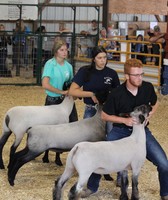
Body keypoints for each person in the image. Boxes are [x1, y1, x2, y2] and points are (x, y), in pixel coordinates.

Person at [82, 58, 168, 200]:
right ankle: (92, 187)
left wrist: (150, 114)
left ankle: (165, 193)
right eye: (136, 75)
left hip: (141, 133)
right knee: (102, 154)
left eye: (141, 74)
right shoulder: (116, 93)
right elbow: (104, 115)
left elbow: (155, 102)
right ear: (127, 76)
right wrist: (124, 120)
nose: (140, 78)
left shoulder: (147, 87)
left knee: (164, 163)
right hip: (120, 131)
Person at [68, 45, 120, 180]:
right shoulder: (85, 72)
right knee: (87, 141)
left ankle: (106, 169)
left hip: (108, 112)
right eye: (99, 58)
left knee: (109, 139)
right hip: (91, 110)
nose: (103, 60)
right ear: (93, 59)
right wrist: (91, 94)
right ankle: (85, 168)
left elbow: (118, 94)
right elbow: (72, 91)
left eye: (104, 57)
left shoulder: (112, 74)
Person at [42, 38, 78, 166]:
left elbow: (71, 83)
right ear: (56, 51)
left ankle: (58, 155)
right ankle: (46, 153)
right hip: (53, 101)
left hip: (66, 102)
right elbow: (45, 84)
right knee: (50, 128)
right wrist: (61, 92)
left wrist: (72, 91)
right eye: (61, 50)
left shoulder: (68, 66)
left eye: (66, 50)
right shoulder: (50, 64)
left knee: (67, 127)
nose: (65, 52)